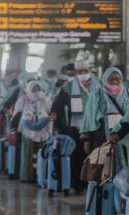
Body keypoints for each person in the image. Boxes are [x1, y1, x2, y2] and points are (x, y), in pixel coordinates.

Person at [50, 58, 102, 194]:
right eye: (80, 71)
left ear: (90, 70)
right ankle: (77, 184)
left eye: (86, 71)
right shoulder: (68, 87)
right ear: (76, 72)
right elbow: (58, 102)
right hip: (76, 127)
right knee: (77, 156)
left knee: (95, 156)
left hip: (96, 127)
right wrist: (54, 113)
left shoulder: (99, 85)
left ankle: (93, 184)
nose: (83, 73)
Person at [80, 67, 129, 167]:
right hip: (102, 134)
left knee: (125, 162)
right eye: (111, 79)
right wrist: (87, 139)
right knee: (105, 166)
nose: (115, 82)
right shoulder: (97, 94)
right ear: (105, 80)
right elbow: (89, 116)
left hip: (125, 134)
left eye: (118, 79)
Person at [11, 80, 52, 182]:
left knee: (42, 154)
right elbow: (16, 116)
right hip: (27, 132)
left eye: (38, 89)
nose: (36, 92)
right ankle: (27, 176)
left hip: (43, 132)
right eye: (33, 89)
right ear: (28, 90)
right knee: (27, 155)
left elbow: (51, 114)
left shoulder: (45, 100)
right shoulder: (23, 100)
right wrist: (13, 130)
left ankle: (42, 176)